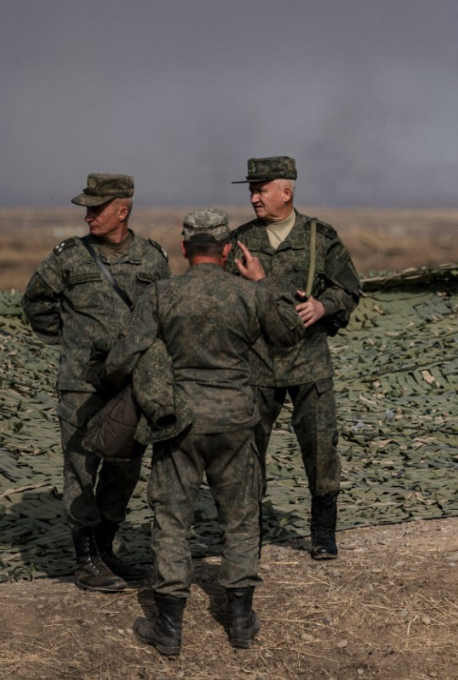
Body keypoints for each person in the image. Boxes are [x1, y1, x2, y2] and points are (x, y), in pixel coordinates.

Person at [106, 209, 305, 656]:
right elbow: (290, 333)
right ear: (228, 249)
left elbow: (121, 360)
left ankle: (170, 629)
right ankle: (239, 622)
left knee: (173, 521)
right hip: (237, 420)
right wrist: (261, 281)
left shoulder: (162, 294)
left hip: (180, 423)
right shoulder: (247, 294)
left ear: (183, 249)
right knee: (240, 519)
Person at [21, 173, 170, 591]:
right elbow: (35, 302)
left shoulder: (152, 258)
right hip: (81, 387)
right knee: (81, 469)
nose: (87, 216)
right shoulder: (69, 257)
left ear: (121, 210)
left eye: (95, 208)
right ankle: (85, 561)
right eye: (85, 208)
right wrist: (70, 342)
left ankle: (106, 550)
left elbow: (164, 313)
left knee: (123, 469)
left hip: (130, 386)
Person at [228, 157, 361, 558]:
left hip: (309, 362)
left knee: (321, 447)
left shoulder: (320, 237)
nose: (254, 197)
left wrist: (323, 306)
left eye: (262, 189)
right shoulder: (238, 241)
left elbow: (350, 289)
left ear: (286, 192)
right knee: (247, 450)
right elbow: (222, 296)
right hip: (257, 364)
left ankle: (323, 533)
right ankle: (246, 533)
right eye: (251, 190)